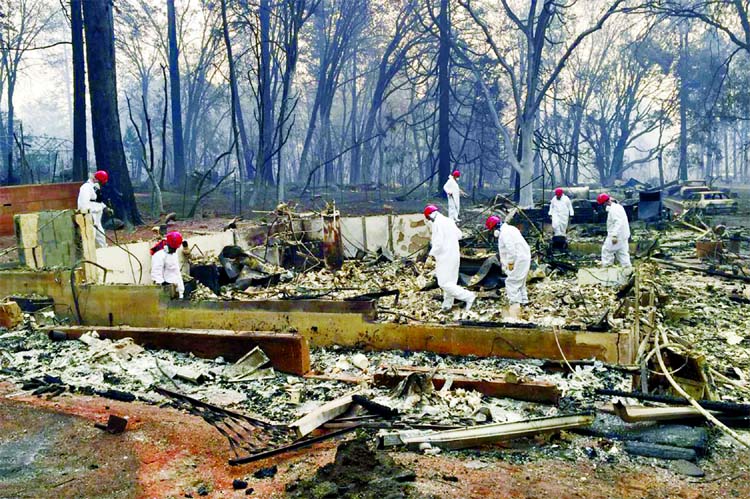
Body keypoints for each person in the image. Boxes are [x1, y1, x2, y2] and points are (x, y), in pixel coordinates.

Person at [424, 204, 475, 312]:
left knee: (443, 283)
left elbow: (438, 243)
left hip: (444, 257)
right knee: (451, 282)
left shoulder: (437, 224)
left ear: (430, 216)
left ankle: (468, 296)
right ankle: (447, 305)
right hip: (454, 255)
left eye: (428, 219)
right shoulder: (449, 221)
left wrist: (431, 255)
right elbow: (459, 235)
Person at [486, 215, 531, 315]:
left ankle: (515, 308)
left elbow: (511, 251)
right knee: (520, 282)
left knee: (511, 282)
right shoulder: (511, 228)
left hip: (518, 259)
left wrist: (510, 264)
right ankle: (524, 303)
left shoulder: (504, 234)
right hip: (524, 257)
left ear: (494, 228)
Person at [597, 193, 631, 268]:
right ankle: (627, 270)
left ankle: (607, 268)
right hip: (623, 234)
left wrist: (614, 235)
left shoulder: (614, 210)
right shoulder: (617, 207)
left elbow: (618, 222)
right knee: (622, 253)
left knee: (606, 251)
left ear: (605, 203)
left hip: (617, 235)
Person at [77, 170, 110, 248]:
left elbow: (97, 201)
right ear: (96, 180)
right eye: (101, 182)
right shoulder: (86, 187)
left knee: (101, 238)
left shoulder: (95, 188)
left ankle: (103, 252)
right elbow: (83, 203)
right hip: (91, 216)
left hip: (97, 218)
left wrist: (105, 207)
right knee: (91, 237)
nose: (101, 184)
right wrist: (88, 216)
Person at [151, 231, 185, 299]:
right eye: (173, 248)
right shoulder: (159, 255)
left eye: (176, 249)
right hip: (167, 292)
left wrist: (181, 290)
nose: (175, 251)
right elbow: (156, 275)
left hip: (177, 290)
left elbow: (176, 272)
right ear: (168, 244)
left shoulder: (174, 254)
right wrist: (164, 285)